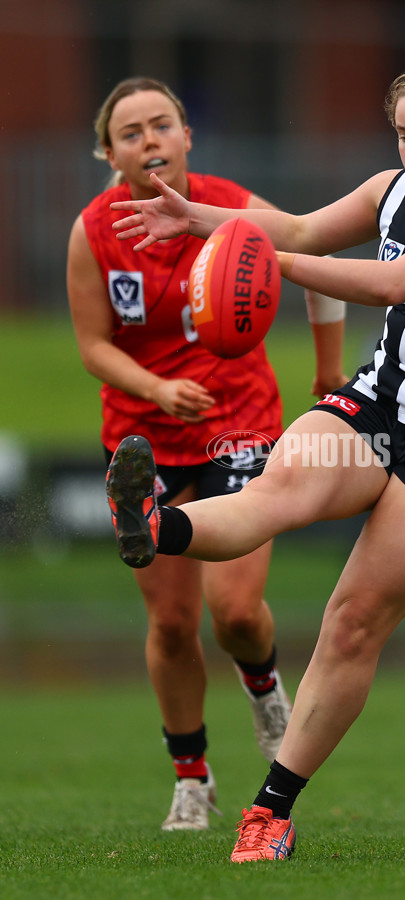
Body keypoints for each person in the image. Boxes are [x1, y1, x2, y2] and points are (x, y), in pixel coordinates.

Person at [106, 63, 405, 861]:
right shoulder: (393, 189)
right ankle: (154, 525)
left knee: (351, 622)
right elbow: (308, 229)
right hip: (380, 404)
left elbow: (391, 283)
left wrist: (257, 264)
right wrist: (201, 218)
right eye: (403, 136)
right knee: (274, 491)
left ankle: (270, 810)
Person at [66, 76, 347, 833]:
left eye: (162, 124)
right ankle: (192, 778)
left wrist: (329, 366)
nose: (150, 139)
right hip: (143, 437)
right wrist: (155, 388)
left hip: (239, 423)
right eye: (131, 132)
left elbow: (315, 259)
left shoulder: (232, 210)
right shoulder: (93, 231)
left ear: (188, 136)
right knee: (169, 624)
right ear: (109, 152)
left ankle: (262, 686)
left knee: (236, 614)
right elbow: (93, 345)